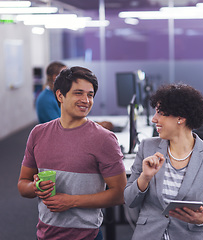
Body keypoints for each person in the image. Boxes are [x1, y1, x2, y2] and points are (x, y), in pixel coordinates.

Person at [17, 66, 127, 240]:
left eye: (90, 95)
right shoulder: (38, 133)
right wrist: (35, 187)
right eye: (78, 93)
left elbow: (120, 194)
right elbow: (23, 184)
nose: (86, 100)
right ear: (60, 95)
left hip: (86, 236)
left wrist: (71, 201)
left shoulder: (104, 139)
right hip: (45, 234)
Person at [124, 83, 203, 240]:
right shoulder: (147, 147)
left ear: (180, 118)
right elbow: (129, 200)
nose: (154, 119)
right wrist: (144, 178)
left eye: (160, 113)